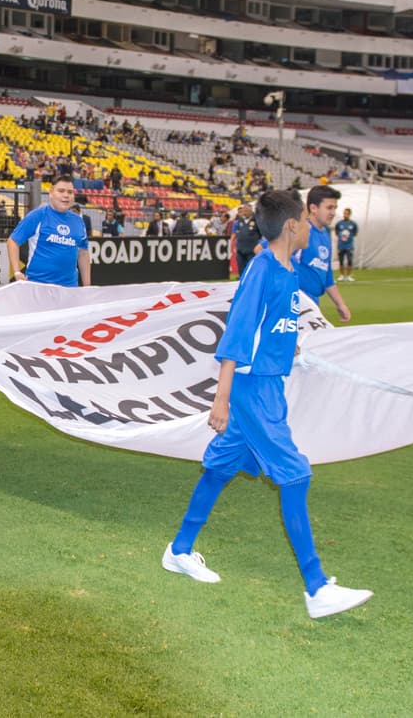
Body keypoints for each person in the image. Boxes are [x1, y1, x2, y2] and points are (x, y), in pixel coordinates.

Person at [161, 189, 373, 619]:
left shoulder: (287, 269)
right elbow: (236, 335)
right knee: (295, 475)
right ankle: (316, 589)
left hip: (267, 383)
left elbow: (272, 326)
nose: (312, 230)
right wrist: (221, 398)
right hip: (250, 388)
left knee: (221, 467)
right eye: (306, 222)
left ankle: (179, 550)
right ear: (293, 225)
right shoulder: (261, 270)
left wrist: (289, 347)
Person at [6, 176, 90, 286]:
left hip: (69, 288)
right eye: (61, 191)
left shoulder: (78, 221)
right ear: (51, 193)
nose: (66, 195)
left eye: (70, 192)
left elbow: (83, 253)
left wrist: (88, 286)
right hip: (38, 287)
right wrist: (17, 272)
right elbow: (12, 241)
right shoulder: (38, 215)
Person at [292, 185, 351, 323]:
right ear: (313, 208)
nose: (333, 212)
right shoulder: (300, 229)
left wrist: (340, 304)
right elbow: (264, 249)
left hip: (312, 304)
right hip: (295, 305)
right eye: (329, 207)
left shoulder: (325, 234)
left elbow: (327, 274)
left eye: (335, 208)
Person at [231, 204, 261, 275]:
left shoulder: (256, 219)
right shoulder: (240, 220)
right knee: (241, 267)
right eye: (244, 210)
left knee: (251, 268)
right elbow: (237, 231)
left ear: (251, 210)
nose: (245, 212)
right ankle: (241, 282)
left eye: (246, 210)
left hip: (251, 248)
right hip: (240, 248)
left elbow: (260, 233)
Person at [334, 207, 358, 282]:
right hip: (341, 245)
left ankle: (349, 276)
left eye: (347, 213)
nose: (345, 215)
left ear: (350, 214)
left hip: (349, 245)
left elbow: (355, 233)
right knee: (341, 260)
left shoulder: (353, 224)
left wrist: (349, 238)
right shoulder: (339, 223)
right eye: (344, 213)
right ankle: (341, 275)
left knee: (349, 260)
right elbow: (336, 232)